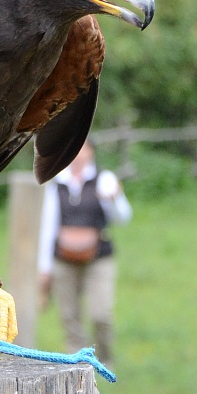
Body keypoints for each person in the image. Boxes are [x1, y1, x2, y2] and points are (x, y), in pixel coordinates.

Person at [37, 140, 131, 362]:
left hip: (98, 257)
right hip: (63, 258)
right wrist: (44, 268)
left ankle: (105, 361)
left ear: (91, 152)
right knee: (69, 317)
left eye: (83, 150)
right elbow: (48, 226)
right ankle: (77, 364)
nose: (78, 155)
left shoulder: (104, 179)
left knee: (101, 314)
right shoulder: (57, 182)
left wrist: (114, 199)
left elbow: (123, 217)